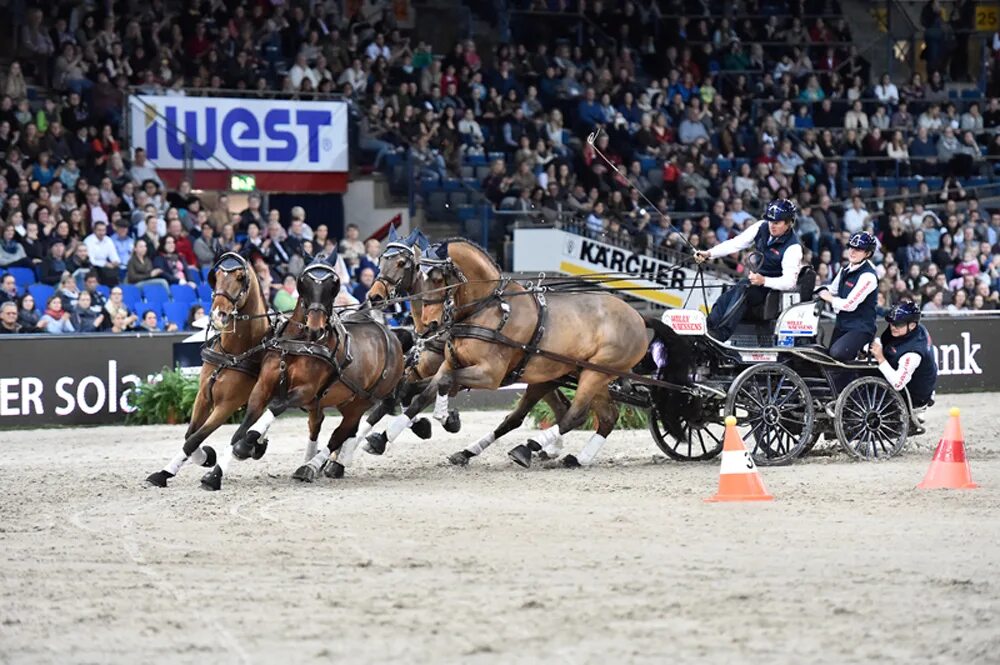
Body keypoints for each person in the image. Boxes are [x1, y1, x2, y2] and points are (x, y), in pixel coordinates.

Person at [695, 198, 803, 341]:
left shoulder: (793, 248)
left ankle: (721, 334)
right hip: (754, 282)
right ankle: (709, 327)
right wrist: (709, 253)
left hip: (772, 290)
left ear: (789, 223)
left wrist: (764, 280)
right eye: (770, 221)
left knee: (743, 290)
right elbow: (736, 243)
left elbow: (790, 282)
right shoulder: (761, 226)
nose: (772, 225)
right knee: (730, 293)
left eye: (777, 222)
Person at [816, 233, 880, 362]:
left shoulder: (868, 276)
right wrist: (816, 290)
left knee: (837, 354)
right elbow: (831, 289)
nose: (852, 251)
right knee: (828, 358)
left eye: (858, 249)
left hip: (861, 327)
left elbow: (849, 304)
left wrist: (829, 298)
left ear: (867, 254)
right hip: (842, 324)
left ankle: (863, 350)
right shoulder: (845, 269)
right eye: (851, 247)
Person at [871, 301, 939, 421]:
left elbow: (898, 384)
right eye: (891, 323)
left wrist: (880, 358)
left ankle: (919, 408)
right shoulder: (914, 329)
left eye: (898, 324)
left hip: (914, 396)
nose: (893, 327)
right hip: (916, 376)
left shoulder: (913, 353)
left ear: (912, 325)